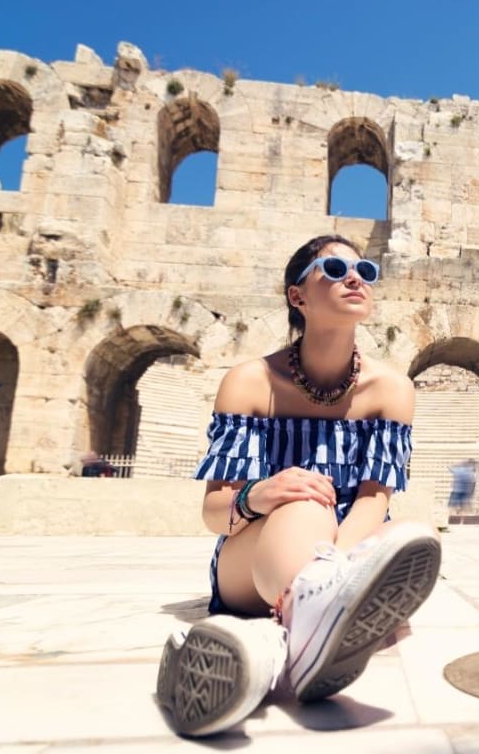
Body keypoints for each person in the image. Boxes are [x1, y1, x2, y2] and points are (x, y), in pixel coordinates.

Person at [155, 234, 442, 737]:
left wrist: (335, 566)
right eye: (333, 270)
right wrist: (260, 494)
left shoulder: (391, 390)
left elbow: (374, 503)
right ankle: (318, 626)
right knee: (307, 503)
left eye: (365, 272)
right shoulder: (251, 382)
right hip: (253, 559)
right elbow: (214, 512)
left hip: (342, 551)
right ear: (297, 296)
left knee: (415, 535)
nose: (355, 279)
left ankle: (269, 650)